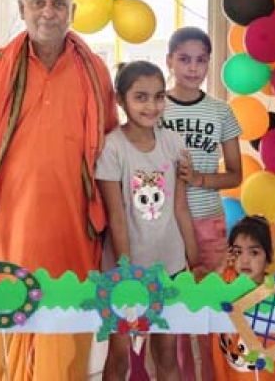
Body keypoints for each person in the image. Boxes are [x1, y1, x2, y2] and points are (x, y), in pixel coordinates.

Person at [0, 0, 118, 381]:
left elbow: (110, 158)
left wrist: (115, 237)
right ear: (21, 9)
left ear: (72, 12)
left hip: (74, 239)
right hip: (9, 237)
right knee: (6, 351)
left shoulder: (94, 72)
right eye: (38, 2)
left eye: (58, 2)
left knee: (69, 351)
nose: (48, 11)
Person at [96, 60, 200, 381]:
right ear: (120, 100)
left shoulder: (174, 144)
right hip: (124, 270)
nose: (151, 106)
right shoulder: (112, 148)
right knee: (119, 356)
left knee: (167, 354)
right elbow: (116, 216)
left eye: (158, 96)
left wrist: (194, 262)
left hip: (170, 268)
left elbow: (180, 208)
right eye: (140, 97)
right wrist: (126, 274)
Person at [161, 26, 243, 381]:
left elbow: (236, 174)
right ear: (169, 61)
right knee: (174, 319)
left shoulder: (221, 112)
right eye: (184, 59)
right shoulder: (155, 107)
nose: (192, 68)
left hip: (209, 224)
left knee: (212, 314)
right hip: (164, 227)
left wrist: (199, 179)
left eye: (200, 60)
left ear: (210, 63)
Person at [212, 215, 275, 381]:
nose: (244, 260)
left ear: (268, 256)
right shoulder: (226, 280)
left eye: (254, 252)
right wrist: (221, 266)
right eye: (238, 252)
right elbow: (206, 291)